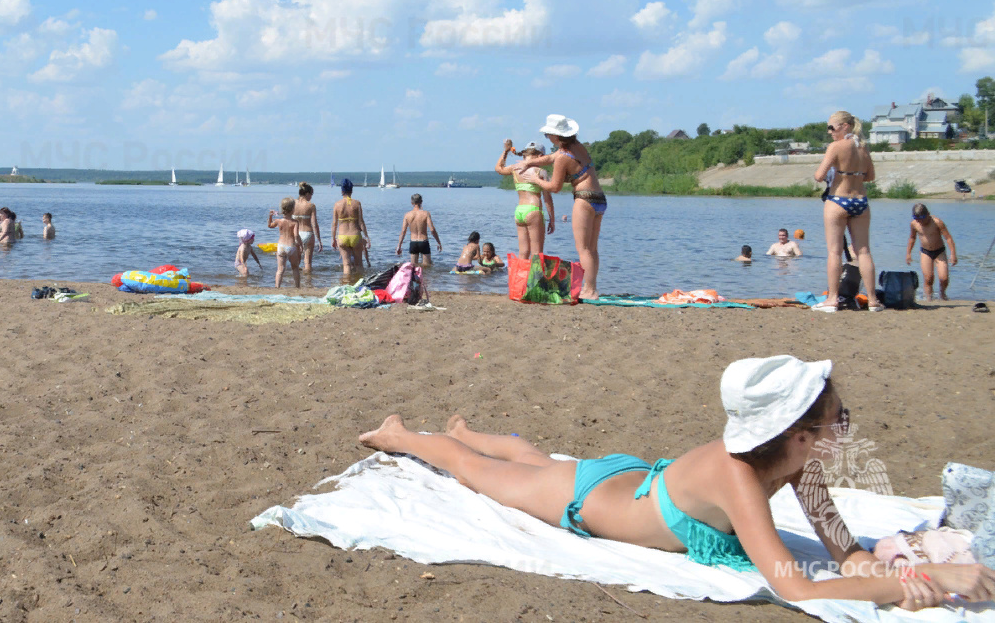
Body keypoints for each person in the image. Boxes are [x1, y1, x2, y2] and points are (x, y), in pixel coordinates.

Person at [357, 356, 995, 611]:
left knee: (528, 457)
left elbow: (844, 553)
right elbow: (795, 585)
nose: (846, 428)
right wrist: (933, 580)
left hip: (629, 479)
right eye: (839, 421)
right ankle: (401, 434)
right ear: (797, 434)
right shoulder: (739, 474)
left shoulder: (800, 463)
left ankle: (467, 428)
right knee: (481, 472)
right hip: (589, 499)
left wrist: (895, 573)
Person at [512, 114, 604, 300]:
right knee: (592, 248)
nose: (547, 137)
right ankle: (591, 288)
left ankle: (590, 290)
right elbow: (550, 158)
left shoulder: (562, 156)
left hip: (584, 198)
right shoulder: (578, 147)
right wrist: (529, 161)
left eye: (548, 134)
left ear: (556, 135)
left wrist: (536, 179)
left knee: (584, 249)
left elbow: (555, 187)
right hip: (600, 199)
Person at [812, 111, 877, 312]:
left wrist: (839, 173)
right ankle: (873, 300)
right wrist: (853, 174)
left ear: (845, 126)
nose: (829, 131)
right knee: (864, 251)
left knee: (834, 251)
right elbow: (870, 177)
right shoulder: (863, 148)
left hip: (838, 200)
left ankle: (832, 298)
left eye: (832, 127)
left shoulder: (836, 147)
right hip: (860, 201)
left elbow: (819, 175)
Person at [497, 139, 555, 259]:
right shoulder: (540, 172)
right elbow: (547, 198)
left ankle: (521, 278)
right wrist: (552, 219)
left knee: (523, 253)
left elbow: (499, 168)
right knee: (537, 254)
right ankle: (535, 278)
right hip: (533, 210)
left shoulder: (515, 168)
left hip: (519, 211)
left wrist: (506, 151)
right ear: (540, 156)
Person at [907, 203, 957, 303]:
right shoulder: (914, 224)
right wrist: (908, 253)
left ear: (928, 214)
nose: (919, 221)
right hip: (925, 252)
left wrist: (953, 254)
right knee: (928, 278)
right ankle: (928, 298)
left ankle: (942, 293)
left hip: (939, 251)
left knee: (943, 278)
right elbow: (912, 238)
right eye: (916, 218)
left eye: (921, 218)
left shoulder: (937, 222)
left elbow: (948, 238)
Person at [332, 179, 370, 276]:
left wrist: (333, 239)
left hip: (342, 236)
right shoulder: (357, 203)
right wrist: (367, 237)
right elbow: (361, 222)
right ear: (352, 190)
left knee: (346, 265)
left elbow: (334, 224)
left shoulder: (337, 204)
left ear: (342, 191)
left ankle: (346, 285)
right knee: (359, 264)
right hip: (355, 236)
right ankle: (360, 284)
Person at [396, 194, 442, 266]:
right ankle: (426, 277)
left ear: (412, 203)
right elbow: (432, 230)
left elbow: (403, 231)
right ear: (421, 202)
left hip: (413, 242)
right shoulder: (426, 213)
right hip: (423, 242)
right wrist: (438, 242)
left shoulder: (407, 215)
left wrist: (399, 245)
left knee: (413, 267)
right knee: (427, 267)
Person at [266, 198, 303, 288]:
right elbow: (296, 235)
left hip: (281, 246)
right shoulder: (295, 222)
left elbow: (270, 225)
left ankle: (277, 287)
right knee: (295, 268)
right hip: (291, 246)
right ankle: (297, 287)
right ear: (293, 209)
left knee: (280, 269)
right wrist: (300, 245)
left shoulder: (279, 221)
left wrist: (270, 216)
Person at [292, 184, 323, 274]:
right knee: (308, 262)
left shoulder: (293, 203)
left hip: (295, 234)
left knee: (296, 260)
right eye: (311, 194)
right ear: (306, 194)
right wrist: (319, 240)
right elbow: (314, 224)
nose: (311, 197)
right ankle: (308, 282)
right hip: (308, 233)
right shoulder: (311, 206)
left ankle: (296, 280)